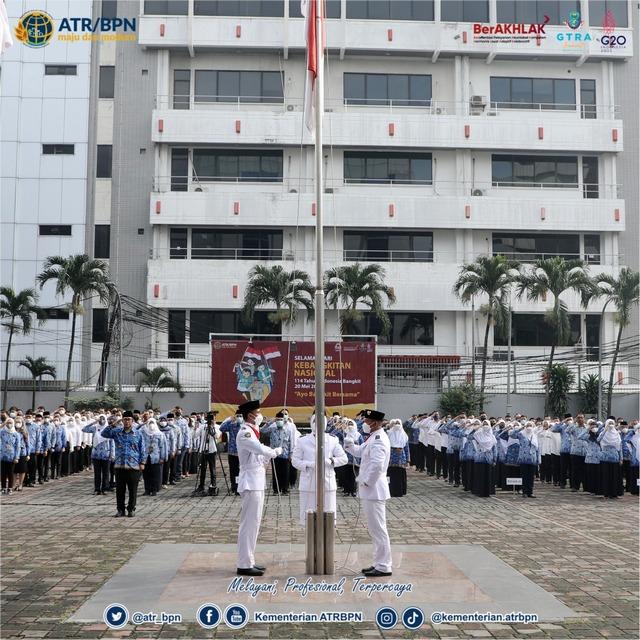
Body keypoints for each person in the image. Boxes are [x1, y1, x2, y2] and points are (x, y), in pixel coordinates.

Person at [344, 409, 392, 577]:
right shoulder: (373, 437)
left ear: (376, 423)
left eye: (367, 420)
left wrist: (366, 481)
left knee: (378, 529)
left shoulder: (379, 439)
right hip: (370, 490)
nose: (364, 423)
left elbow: (377, 465)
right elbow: (358, 452)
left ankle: (384, 565)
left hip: (374, 489)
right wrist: (349, 439)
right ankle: (378, 563)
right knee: (374, 529)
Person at [235, 400, 281, 577]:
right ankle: (244, 564)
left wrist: (266, 458)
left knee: (254, 523)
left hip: (257, 480)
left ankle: (249, 560)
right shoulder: (245, 433)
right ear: (250, 415)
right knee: (249, 523)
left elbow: (257, 456)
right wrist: (274, 452)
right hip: (250, 482)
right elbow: (258, 449)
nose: (260, 415)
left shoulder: (253, 432)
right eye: (258, 412)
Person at [291, 413, 348, 526]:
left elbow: (344, 459)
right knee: (308, 519)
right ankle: (311, 541)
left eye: (321, 422)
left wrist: (330, 461)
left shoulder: (332, 440)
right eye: (315, 422)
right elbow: (295, 461)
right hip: (308, 483)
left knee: (329, 519)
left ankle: (326, 542)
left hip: (327, 482)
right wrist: (309, 464)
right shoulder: (302, 440)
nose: (317, 425)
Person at [101, 411, 147, 517]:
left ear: (132, 420)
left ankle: (131, 509)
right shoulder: (117, 432)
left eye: (129, 419)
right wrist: (114, 424)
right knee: (120, 490)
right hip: (120, 465)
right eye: (125, 419)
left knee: (132, 490)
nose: (127, 421)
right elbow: (104, 433)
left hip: (133, 465)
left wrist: (142, 462)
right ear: (122, 420)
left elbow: (142, 449)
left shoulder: (138, 433)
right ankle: (120, 509)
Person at [82, 415, 115, 495]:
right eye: (101, 418)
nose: (102, 420)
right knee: (97, 473)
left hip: (106, 454)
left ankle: (104, 488)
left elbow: (112, 442)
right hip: (96, 454)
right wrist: (93, 422)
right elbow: (84, 429)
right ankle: (97, 489)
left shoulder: (109, 429)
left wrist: (112, 454)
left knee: (106, 473)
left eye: (103, 418)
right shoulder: (95, 428)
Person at [261, 411, 292, 495]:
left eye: (281, 419)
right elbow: (262, 430)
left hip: (285, 454)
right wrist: (271, 422)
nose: (279, 421)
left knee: (285, 473)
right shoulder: (272, 429)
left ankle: (285, 490)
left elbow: (291, 443)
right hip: (274, 455)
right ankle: (276, 490)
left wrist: (291, 454)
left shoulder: (288, 430)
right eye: (277, 419)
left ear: (284, 420)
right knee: (275, 473)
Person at [193, 412, 221, 496]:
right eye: (210, 418)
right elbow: (195, 436)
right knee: (203, 469)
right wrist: (195, 429)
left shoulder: (217, 427)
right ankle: (201, 486)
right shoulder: (203, 426)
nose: (212, 420)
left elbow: (216, 436)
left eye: (213, 418)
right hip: (203, 450)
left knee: (212, 469)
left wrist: (212, 427)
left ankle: (213, 485)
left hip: (212, 450)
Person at [470, 420, 497, 498]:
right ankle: (479, 491)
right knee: (480, 475)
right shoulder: (477, 434)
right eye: (484, 424)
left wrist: (494, 459)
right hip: (479, 458)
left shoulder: (492, 436)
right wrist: (476, 428)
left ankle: (487, 492)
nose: (485, 426)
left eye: (487, 424)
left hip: (489, 458)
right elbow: (470, 437)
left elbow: (495, 449)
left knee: (488, 475)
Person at [141, 418, 167, 497]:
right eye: (150, 423)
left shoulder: (160, 434)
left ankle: (154, 489)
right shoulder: (143, 433)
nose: (151, 424)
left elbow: (163, 446)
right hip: (145, 456)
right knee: (146, 474)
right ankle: (147, 489)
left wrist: (162, 457)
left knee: (155, 474)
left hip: (156, 457)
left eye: (153, 422)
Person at [597, 419, 623, 499]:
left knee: (614, 476)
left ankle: (614, 493)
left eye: (612, 423)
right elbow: (598, 440)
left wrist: (621, 458)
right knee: (606, 476)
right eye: (609, 423)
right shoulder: (603, 433)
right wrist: (605, 430)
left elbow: (620, 447)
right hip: (605, 457)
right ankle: (606, 493)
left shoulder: (617, 434)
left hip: (615, 457)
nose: (611, 425)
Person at [220, 412, 243, 494]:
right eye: (238, 416)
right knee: (233, 470)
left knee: (242, 470)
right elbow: (221, 429)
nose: (239, 417)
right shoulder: (231, 424)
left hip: (242, 452)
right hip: (232, 451)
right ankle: (234, 486)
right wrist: (229, 420)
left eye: (241, 416)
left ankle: (240, 486)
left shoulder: (245, 426)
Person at [387, 418, 410, 497]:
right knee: (391, 476)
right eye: (395, 423)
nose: (397, 425)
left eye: (398, 423)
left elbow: (407, 448)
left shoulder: (404, 436)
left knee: (400, 476)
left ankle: (400, 491)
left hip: (401, 459)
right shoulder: (389, 434)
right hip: (391, 459)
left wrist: (408, 460)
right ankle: (391, 491)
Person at [1, 418, 20, 494]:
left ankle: (10, 488)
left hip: (12, 456)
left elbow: (18, 446)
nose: (9, 424)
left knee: (10, 473)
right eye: (8, 422)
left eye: (11, 423)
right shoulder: (2, 432)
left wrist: (16, 457)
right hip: (3, 455)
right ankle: (3, 488)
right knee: (3, 473)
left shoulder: (16, 434)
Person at [13, 418, 30, 491]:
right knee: (14, 470)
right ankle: (14, 484)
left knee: (22, 470)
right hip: (13, 453)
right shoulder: (12, 431)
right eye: (16, 422)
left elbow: (28, 444)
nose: (17, 423)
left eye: (19, 422)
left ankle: (20, 484)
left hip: (22, 452)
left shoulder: (24, 432)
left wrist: (28, 454)